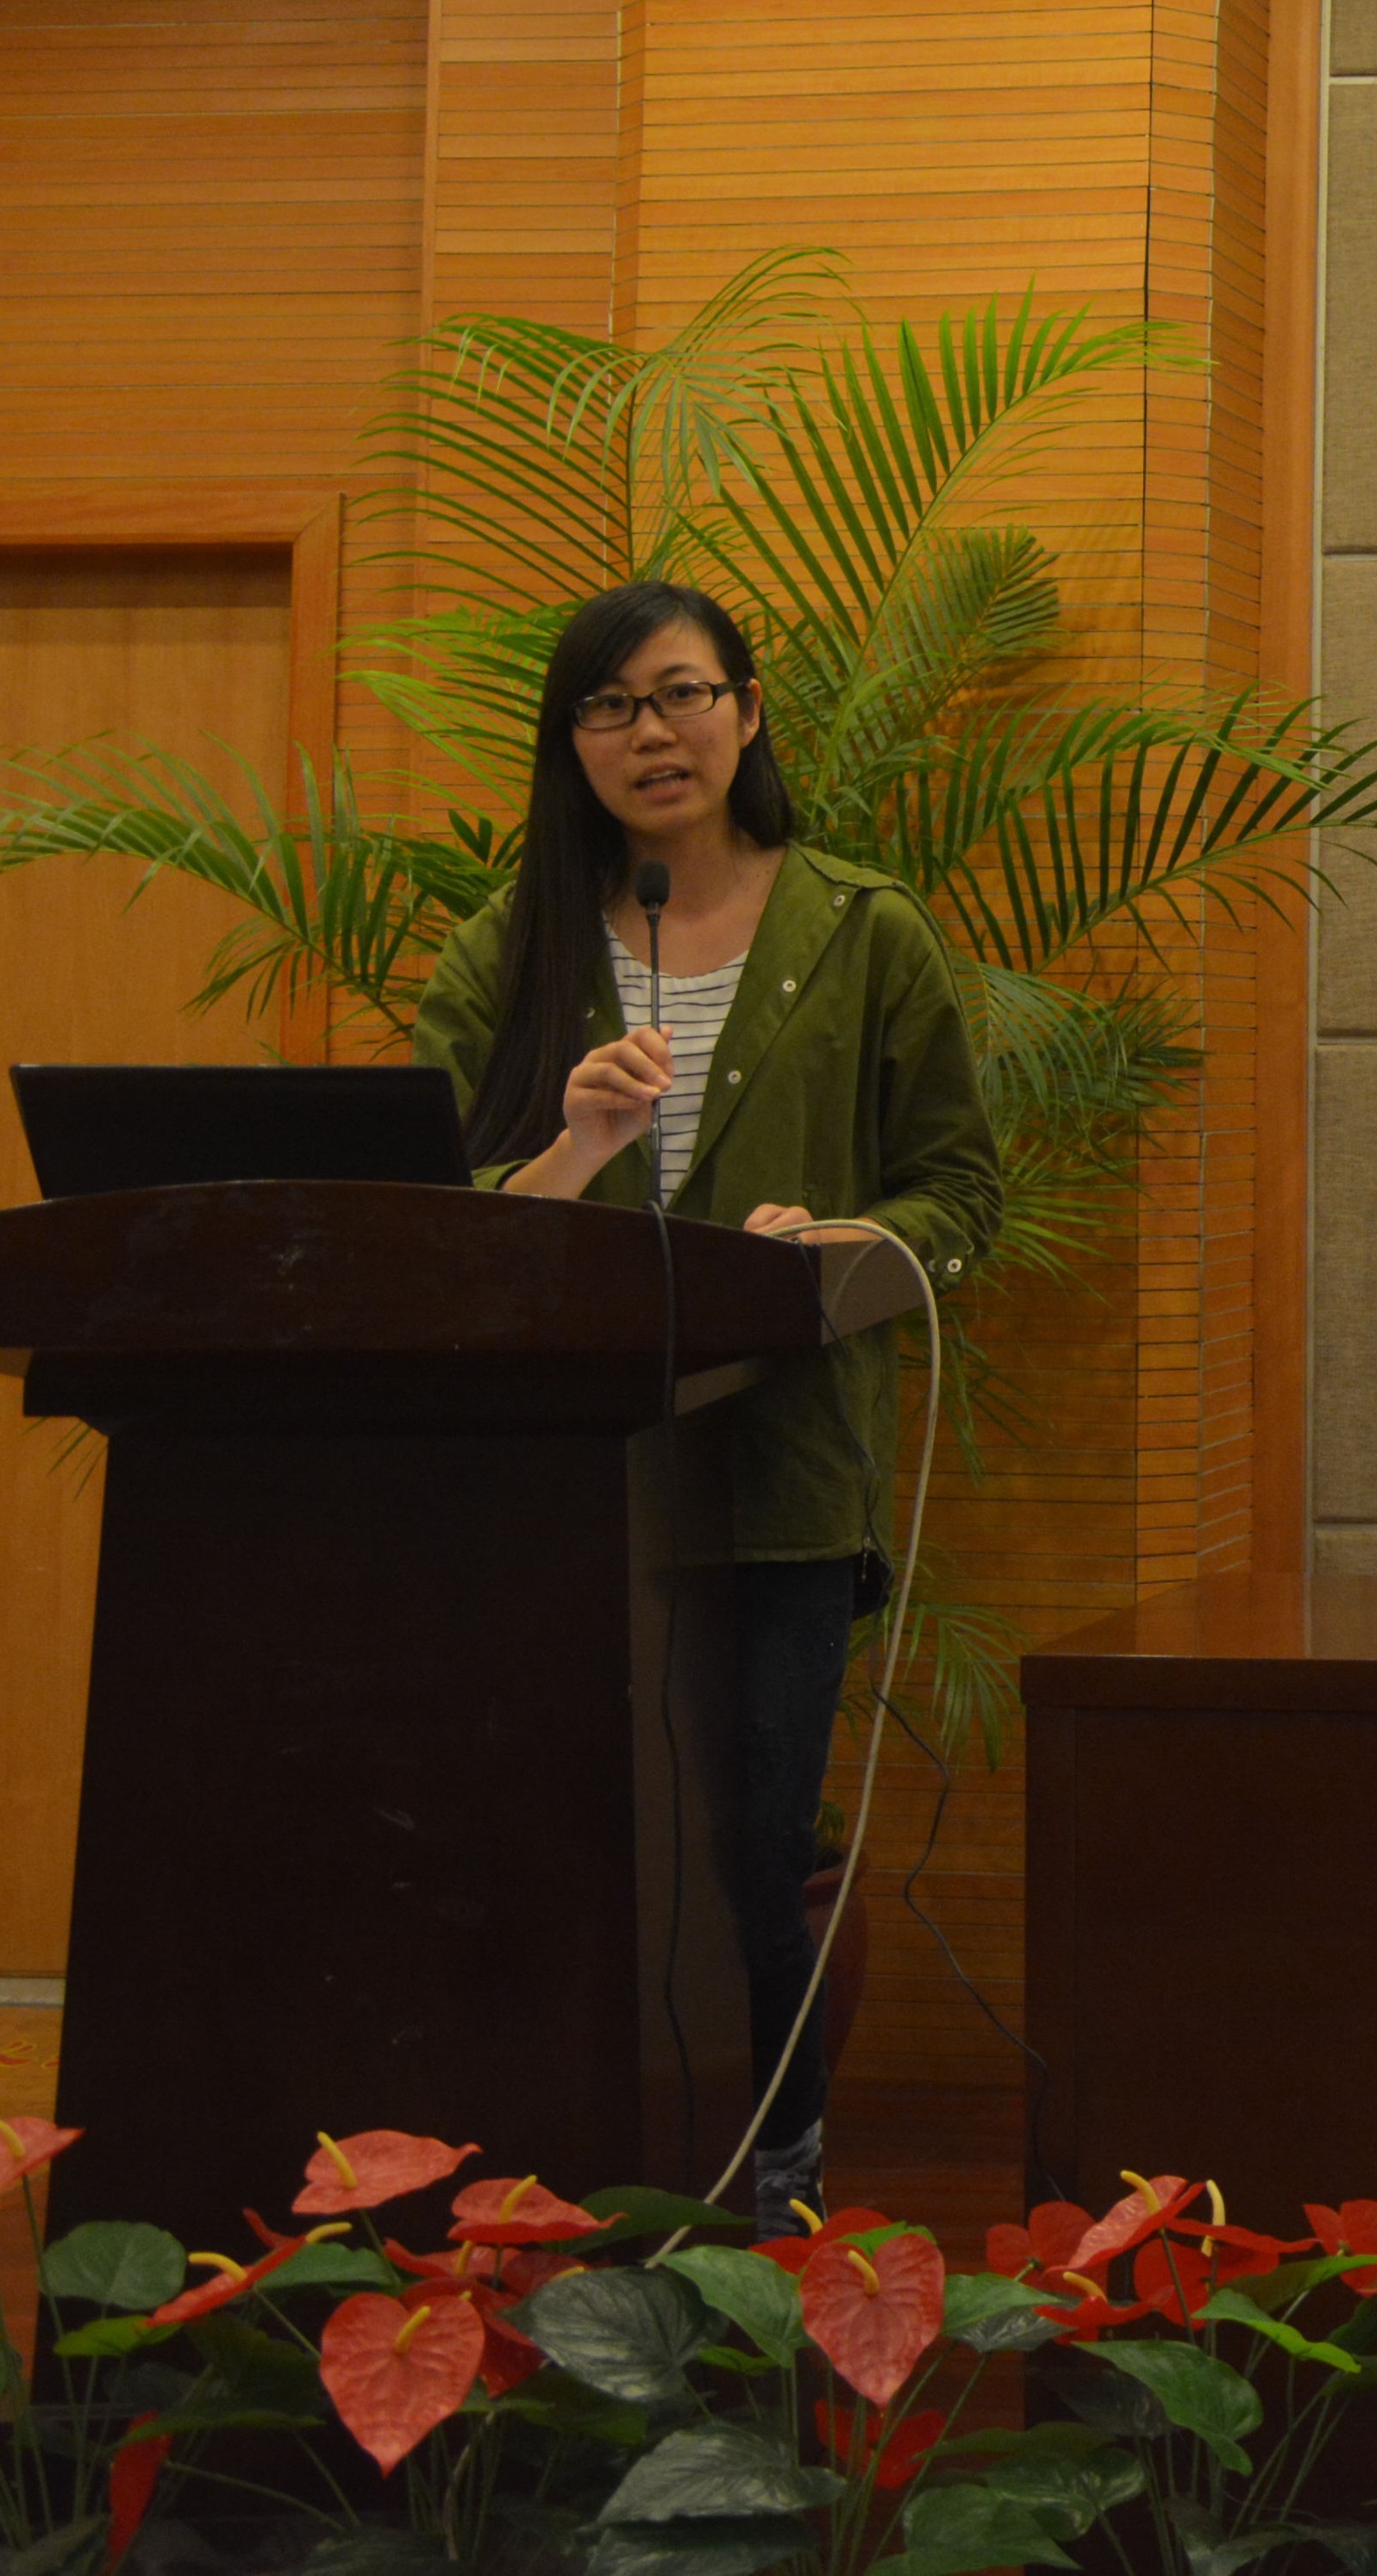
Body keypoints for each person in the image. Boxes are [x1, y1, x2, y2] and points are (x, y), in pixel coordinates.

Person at [411, 579, 1003, 2224]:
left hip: (779, 1479)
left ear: (747, 710)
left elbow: (962, 1192)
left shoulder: (864, 931)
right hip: (557, 1488)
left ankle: (774, 2177)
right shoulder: (513, 946)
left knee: (748, 1851)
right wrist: (575, 1148)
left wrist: (842, 1246)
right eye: (608, 706)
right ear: (572, 745)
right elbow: (428, 1214)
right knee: (566, 1849)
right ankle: (570, 2184)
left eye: (679, 693)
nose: (650, 732)